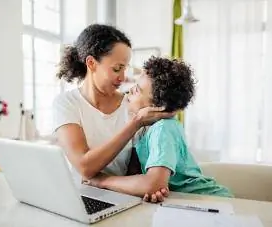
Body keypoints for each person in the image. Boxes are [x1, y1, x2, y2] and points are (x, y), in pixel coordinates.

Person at [51, 24, 174, 199]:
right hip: (78, 196)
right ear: (91, 63)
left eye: (125, 68)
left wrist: (147, 190)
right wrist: (135, 123)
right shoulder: (66, 104)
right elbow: (85, 167)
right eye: (117, 68)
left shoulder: (132, 105)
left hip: (121, 196)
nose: (123, 77)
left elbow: (137, 167)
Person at [86, 56, 233, 201]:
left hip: (210, 202)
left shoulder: (163, 128)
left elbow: (153, 184)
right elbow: (145, 182)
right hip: (183, 202)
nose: (130, 90)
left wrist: (102, 181)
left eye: (137, 90)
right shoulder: (146, 129)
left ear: (158, 106)